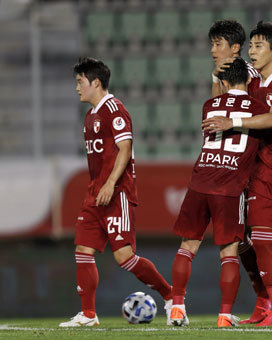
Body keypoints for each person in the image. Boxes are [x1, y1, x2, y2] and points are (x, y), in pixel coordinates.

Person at [203, 21, 272, 326]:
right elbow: (222, 101)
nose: (252, 52)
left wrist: (235, 124)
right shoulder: (251, 81)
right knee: (261, 239)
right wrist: (217, 75)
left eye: (259, 46)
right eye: (250, 46)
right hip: (259, 171)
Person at [59, 58, 173, 327]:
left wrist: (110, 183)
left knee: (124, 256)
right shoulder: (90, 116)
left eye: (80, 82)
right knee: (83, 249)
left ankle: (170, 297)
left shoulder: (115, 109)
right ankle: (88, 315)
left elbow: (125, 149)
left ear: (95, 82)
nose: (77, 88)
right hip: (95, 193)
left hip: (117, 191)